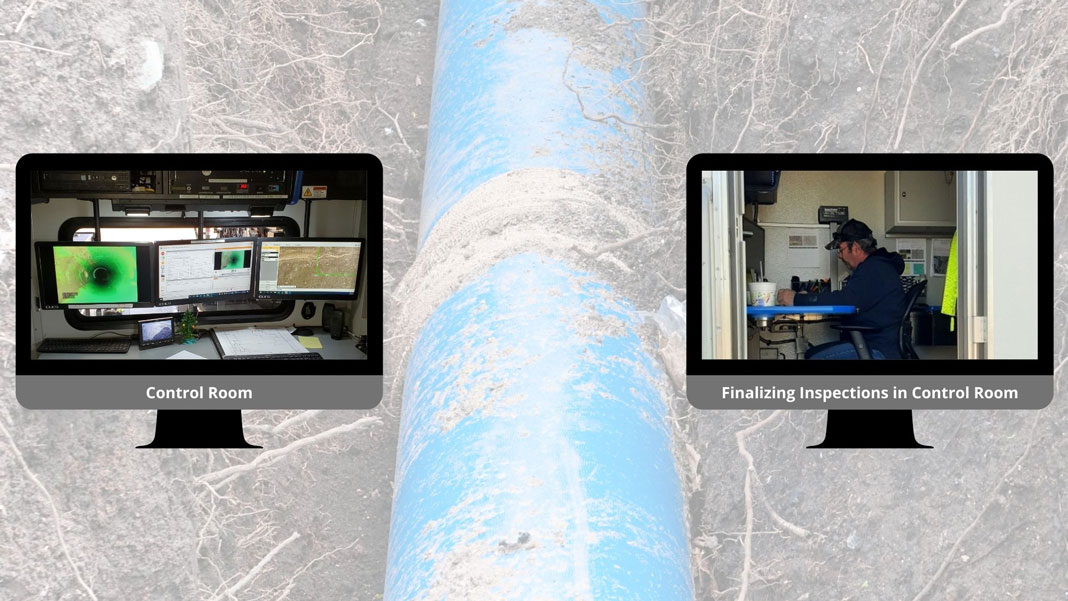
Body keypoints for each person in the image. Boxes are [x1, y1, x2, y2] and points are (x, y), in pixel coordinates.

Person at [776, 219, 906, 359]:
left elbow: (844, 300)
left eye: (841, 249)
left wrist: (796, 299)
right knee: (811, 354)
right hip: (874, 345)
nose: (839, 255)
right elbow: (848, 298)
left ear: (855, 248)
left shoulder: (874, 269)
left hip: (877, 350)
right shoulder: (877, 267)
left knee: (813, 358)